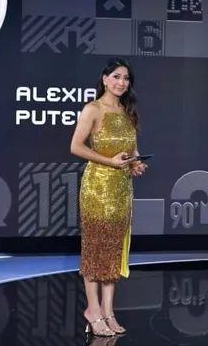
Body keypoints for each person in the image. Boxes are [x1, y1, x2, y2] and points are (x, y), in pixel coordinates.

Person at [70, 58, 148, 337]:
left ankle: (108, 311)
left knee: (114, 249)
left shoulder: (128, 112)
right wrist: (110, 162)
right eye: (116, 76)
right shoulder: (93, 109)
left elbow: (132, 150)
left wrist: (135, 164)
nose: (121, 83)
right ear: (104, 79)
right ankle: (93, 311)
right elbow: (76, 146)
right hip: (98, 188)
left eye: (126, 78)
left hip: (122, 189)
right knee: (95, 249)